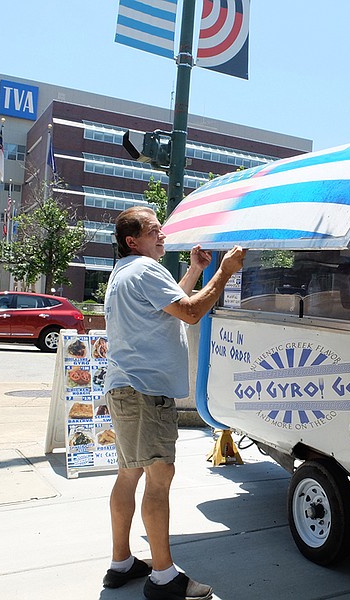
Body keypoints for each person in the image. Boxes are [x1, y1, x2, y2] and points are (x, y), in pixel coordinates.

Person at [101, 206, 246, 600]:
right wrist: (225, 271)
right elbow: (192, 312)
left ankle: (121, 564)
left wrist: (196, 270)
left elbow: (169, 306)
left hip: (124, 388)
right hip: (145, 392)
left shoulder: (125, 272)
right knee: (158, 478)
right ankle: (164, 578)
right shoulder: (146, 270)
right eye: (154, 230)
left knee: (129, 474)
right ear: (133, 240)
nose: (162, 235)